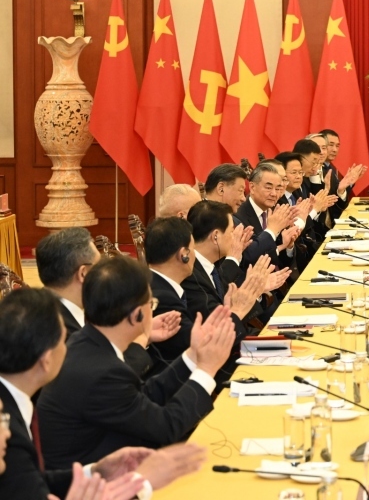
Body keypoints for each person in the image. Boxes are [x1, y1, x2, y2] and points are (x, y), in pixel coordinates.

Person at [0, 289, 207, 500]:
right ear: (46, 359)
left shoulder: (12, 400)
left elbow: (34, 482)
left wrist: (97, 472)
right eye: (62, 341)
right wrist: (142, 481)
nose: (68, 348)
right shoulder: (6, 427)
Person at [37, 257, 235, 468]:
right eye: (152, 304)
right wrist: (206, 370)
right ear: (136, 315)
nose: (153, 310)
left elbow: (143, 398)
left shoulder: (86, 342)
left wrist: (194, 355)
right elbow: (166, 427)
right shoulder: (102, 370)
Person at [34, 228, 171, 375]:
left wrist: (143, 335)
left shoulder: (41, 307)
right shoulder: (60, 331)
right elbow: (108, 376)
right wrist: (140, 339)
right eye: (100, 266)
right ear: (83, 273)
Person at [144, 217, 267, 379]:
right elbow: (203, 346)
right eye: (193, 249)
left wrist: (228, 311)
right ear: (184, 255)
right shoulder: (162, 297)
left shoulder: (160, 285)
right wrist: (236, 312)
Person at [235, 161, 301, 273]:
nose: (274, 194)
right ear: (252, 187)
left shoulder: (275, 212)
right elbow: (247, 260)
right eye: (268, 188)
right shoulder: (239, 216)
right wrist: (272, 230)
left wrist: (288, 246)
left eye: (278, 188)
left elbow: (281, 263)